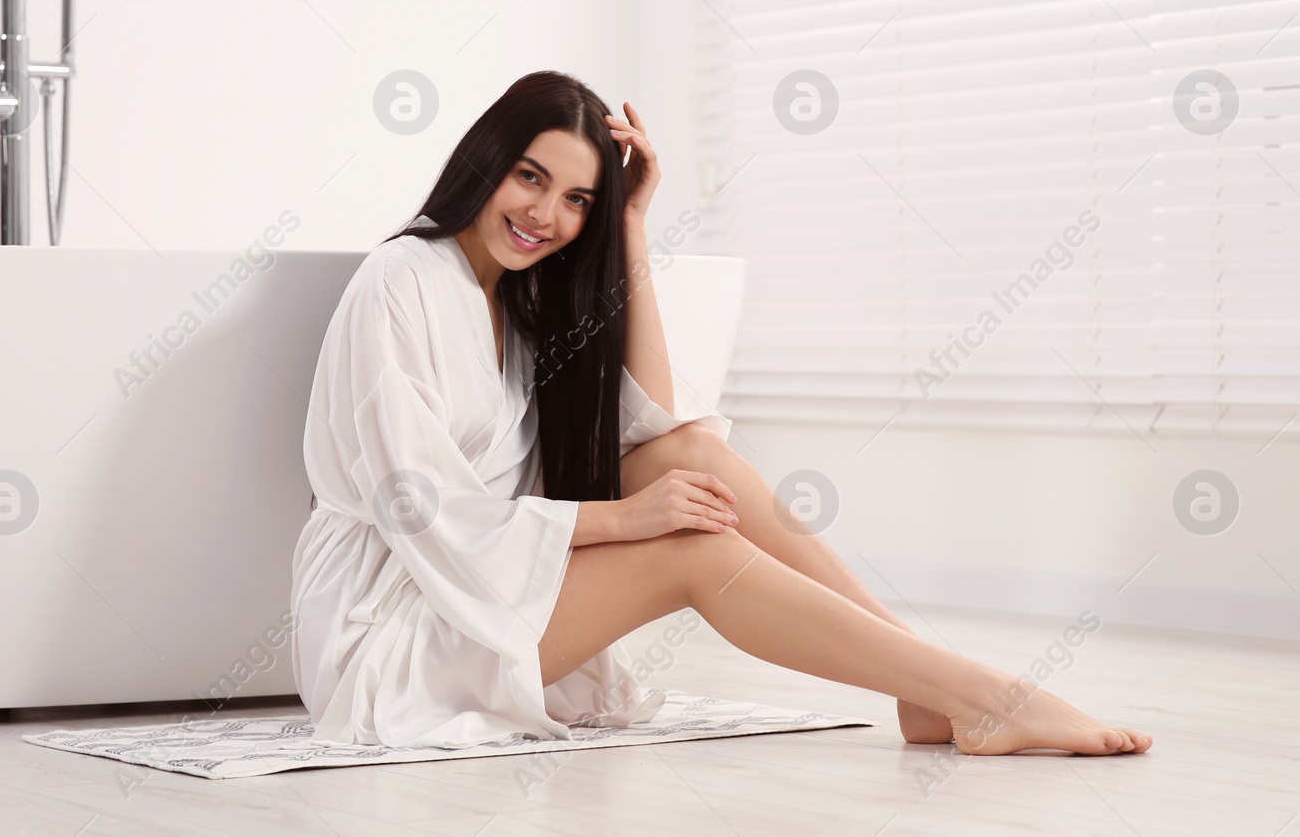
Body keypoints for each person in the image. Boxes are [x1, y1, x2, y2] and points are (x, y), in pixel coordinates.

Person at [290, 69, 1153, 757]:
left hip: (481, 588)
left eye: (576, 200)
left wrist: (629, 222)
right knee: (693, 547)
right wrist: (628, 519)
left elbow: (664, 423)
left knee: (687, 450)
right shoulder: (400, 281)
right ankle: (981, 694)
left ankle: (927, 686)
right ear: (487, 159)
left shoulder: (520, 300)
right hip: (391, 627)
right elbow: (424, 508)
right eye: (530, 177)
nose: (544, 216)